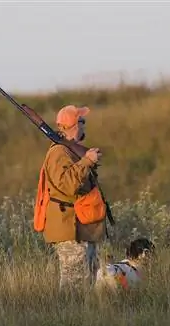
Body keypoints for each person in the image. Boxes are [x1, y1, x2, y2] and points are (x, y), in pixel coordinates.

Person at [38, 104, 106, 292]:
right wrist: (87, 161)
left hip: (79, 226)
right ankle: (67, 319)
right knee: (73, 285)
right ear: (73, 125)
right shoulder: (58, 153)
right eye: (82, 121)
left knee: (86, 281)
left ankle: (81, 317)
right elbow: (67, 185)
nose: (84, 125)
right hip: (69, 227)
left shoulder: (70, 150)